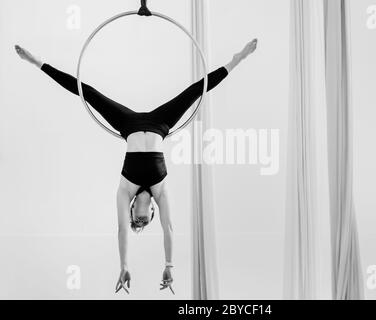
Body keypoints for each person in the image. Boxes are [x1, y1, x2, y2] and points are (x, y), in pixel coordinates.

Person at [15, 38, 258, 294]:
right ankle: (238, 58)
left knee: (86, 91)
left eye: (137, 219)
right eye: (146, 219)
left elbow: (122, 230)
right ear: (152, 210)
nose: (141, 216)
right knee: (198, 89)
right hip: (161, 123)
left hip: (127, 123)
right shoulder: (160, 190)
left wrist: (123, 265)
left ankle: (35, 61)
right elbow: (170, 228)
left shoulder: (125, 190)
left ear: (132, 210)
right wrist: (169, 265)